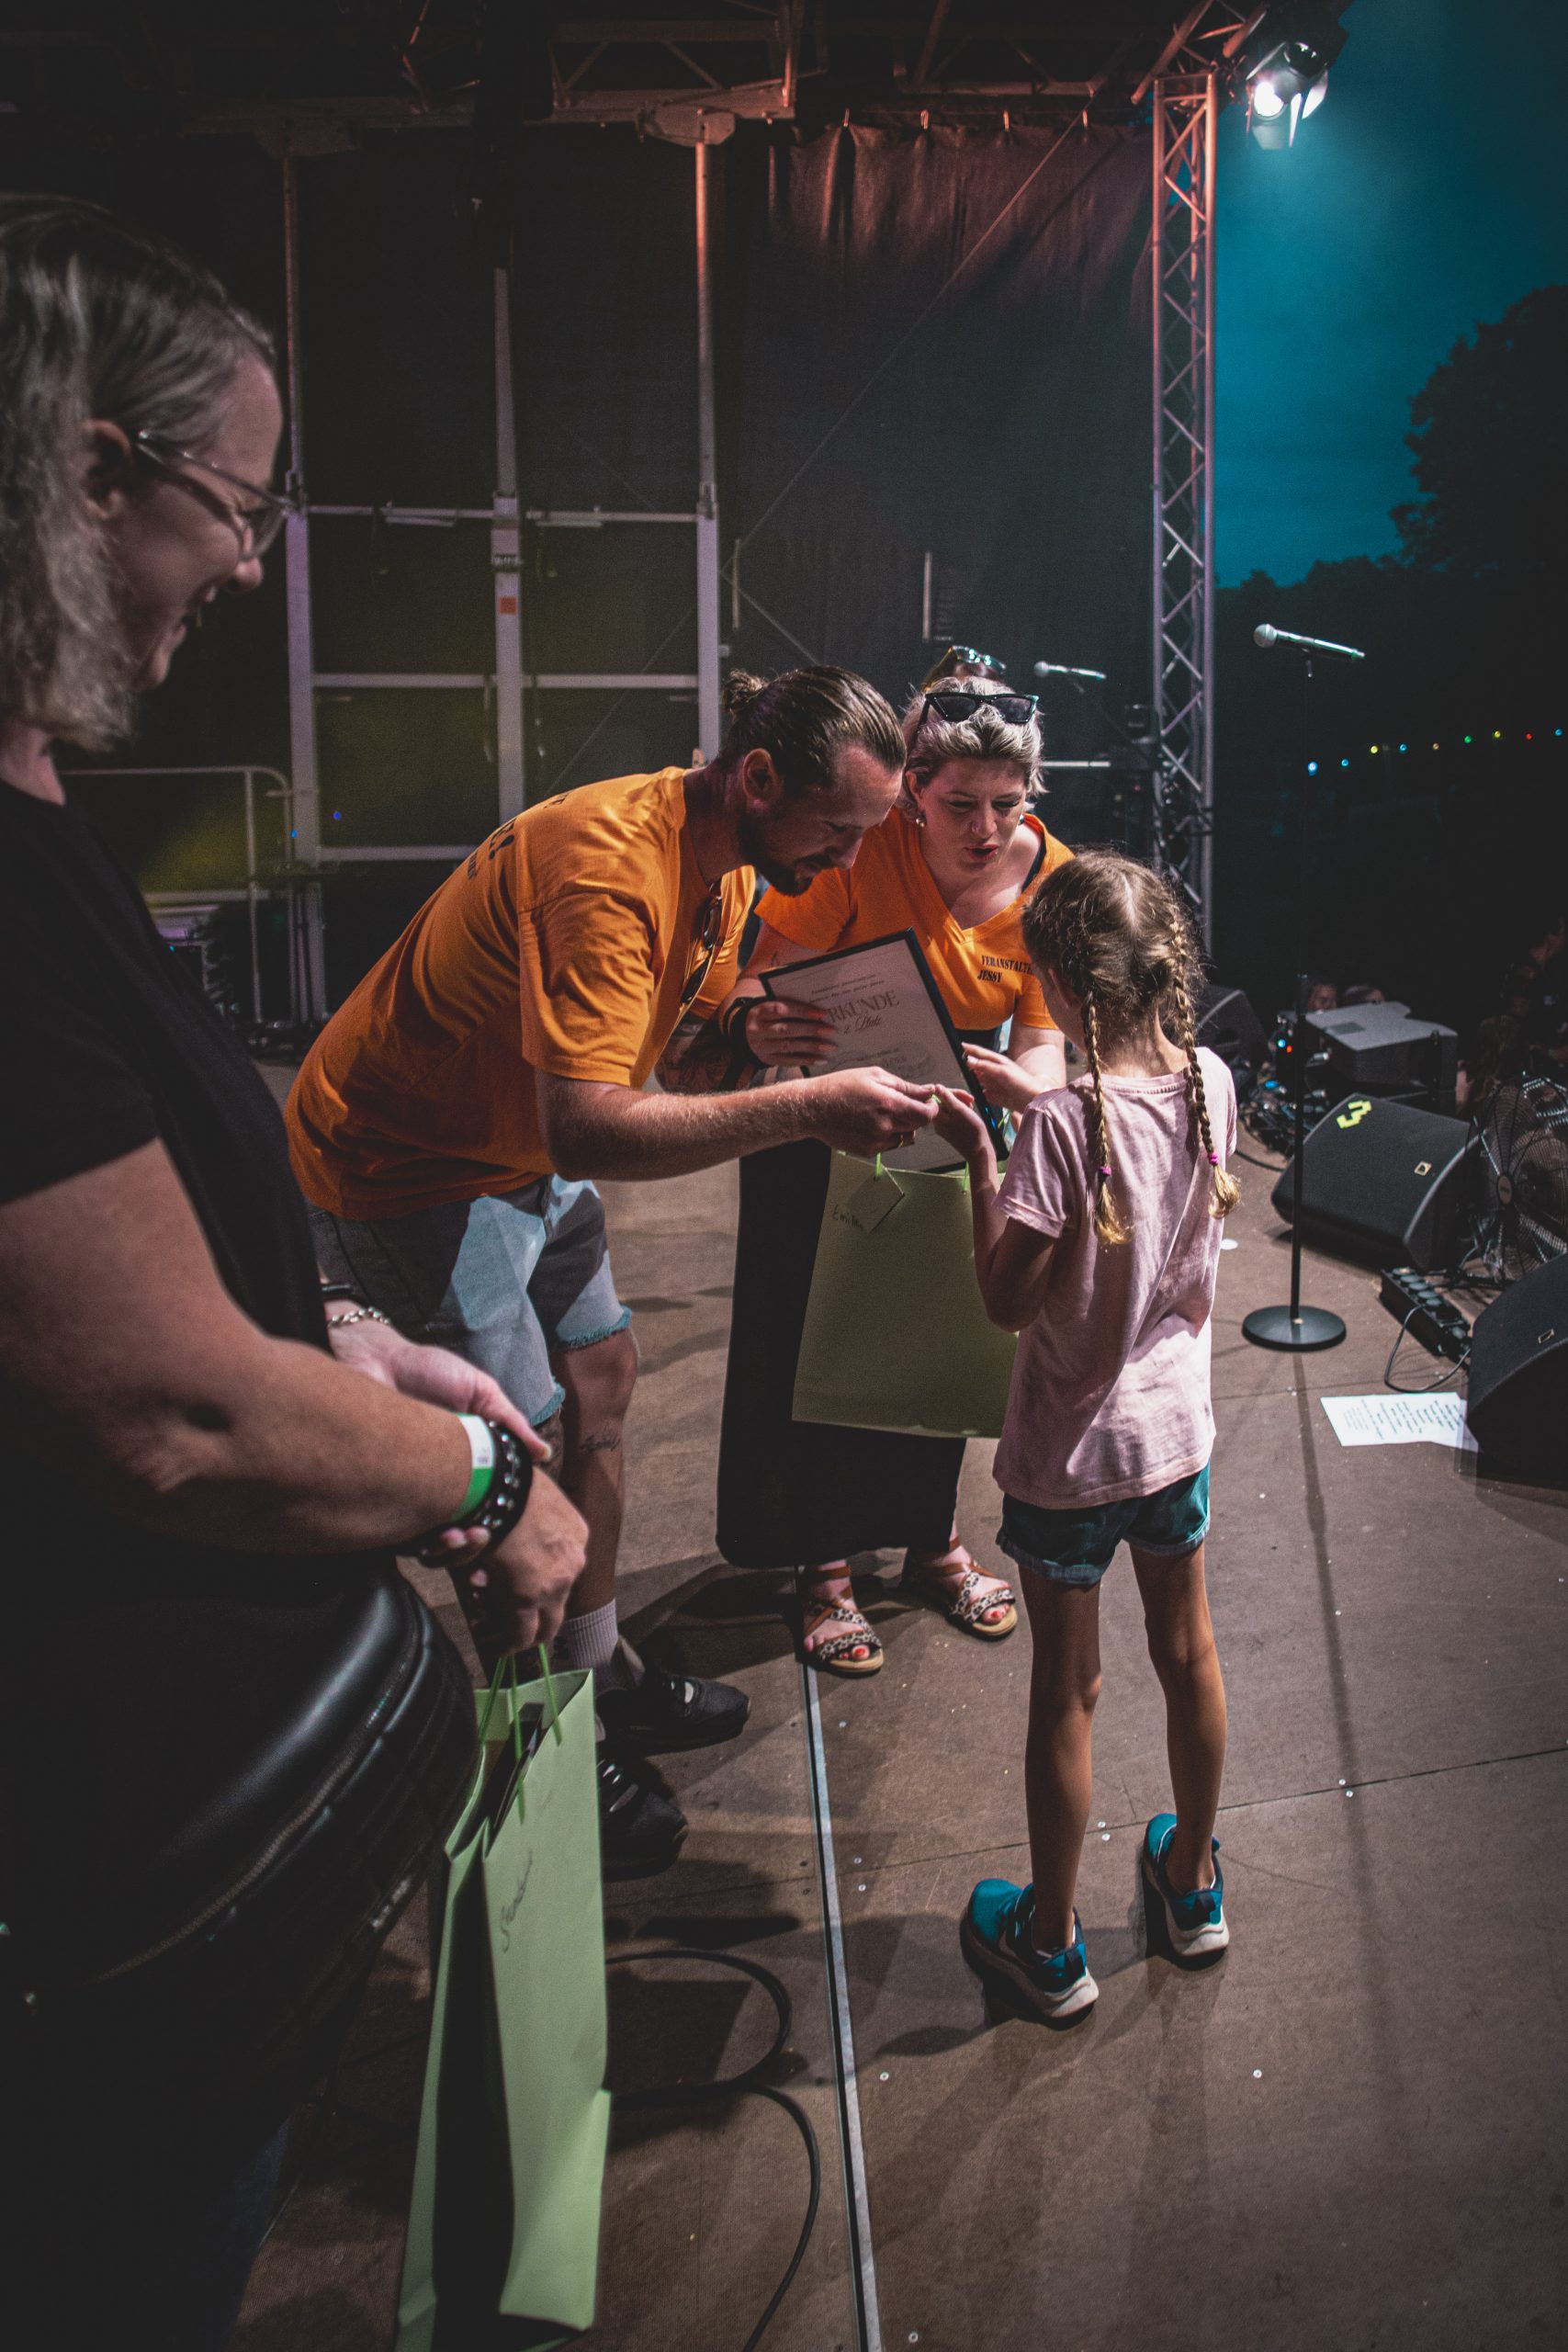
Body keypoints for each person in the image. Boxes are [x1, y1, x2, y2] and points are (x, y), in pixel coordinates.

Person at [0, 197, 589, 2350]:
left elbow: (109, 1256)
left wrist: (332, 1332)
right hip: (110, 1904)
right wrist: (492, 1488)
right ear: (91, 474)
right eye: (236, 507)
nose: (248, 567)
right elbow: (164, 1409)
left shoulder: (44, 819)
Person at [286, 666, 941, 1863]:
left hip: (518, 1149)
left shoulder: (732, 864)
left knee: (601, 1381)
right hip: (414, 1165)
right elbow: (591, 1127)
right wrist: (806, 1108)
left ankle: (597, 1674)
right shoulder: (607, 865)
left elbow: (669, 1060)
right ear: (758, 777)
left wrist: (741, 1033)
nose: (848, 859)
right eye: (836, 830)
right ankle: (549, 1750)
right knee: (518, 1463)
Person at [931, 850, 1238, 2022]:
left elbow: (1004, 1300)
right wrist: (1040, 1106)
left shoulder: (1058, 1132)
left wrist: (985, 1154)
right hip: (1174, 1439)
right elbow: (1132, 1143)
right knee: (1188, 1652)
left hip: (1071, 1461)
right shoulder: (1209, 1079)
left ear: (1061, 985)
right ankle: (1192, 1883)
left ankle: (1051, 1945)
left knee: (1068, 1691)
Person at [715, 669, 1073, 1675]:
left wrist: (1027, 1099)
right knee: (819, 1338)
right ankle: (824, 1569)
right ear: (914, 789)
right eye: (960, 804)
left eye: (1007, 804)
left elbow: (1044, 1039)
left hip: (954, 1126)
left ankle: (933, 1543)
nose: (986, 828)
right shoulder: (857, 849)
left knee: (940, 1338)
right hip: (823, 1112)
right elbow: (755, 978)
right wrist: (765, 1028)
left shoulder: (1051, 876)